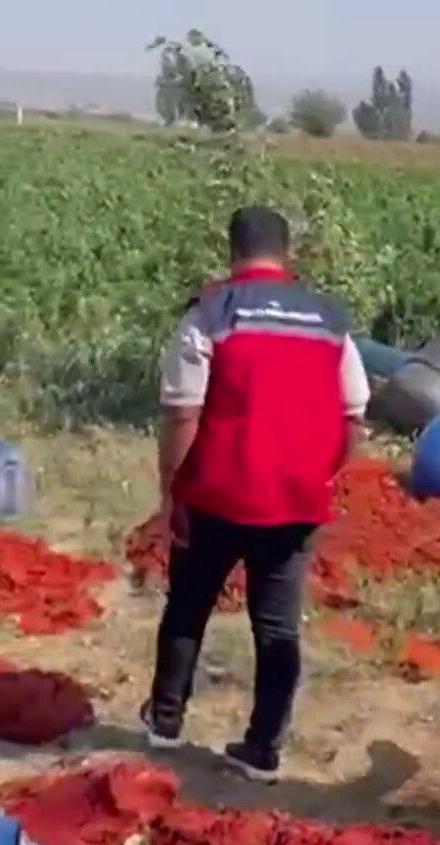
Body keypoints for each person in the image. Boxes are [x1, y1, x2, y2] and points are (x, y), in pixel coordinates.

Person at [140, 205, 370, 782]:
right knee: (278, 628)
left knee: (189, 605)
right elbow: (355, 415)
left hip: (217, 494)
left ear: (232, 252)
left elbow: (182, 414)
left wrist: (172, 497)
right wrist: (324, 473)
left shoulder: (212, 311)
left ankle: (164, 722)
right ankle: (263, 750)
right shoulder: (329, 317)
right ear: (287, 253)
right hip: (296, 501)